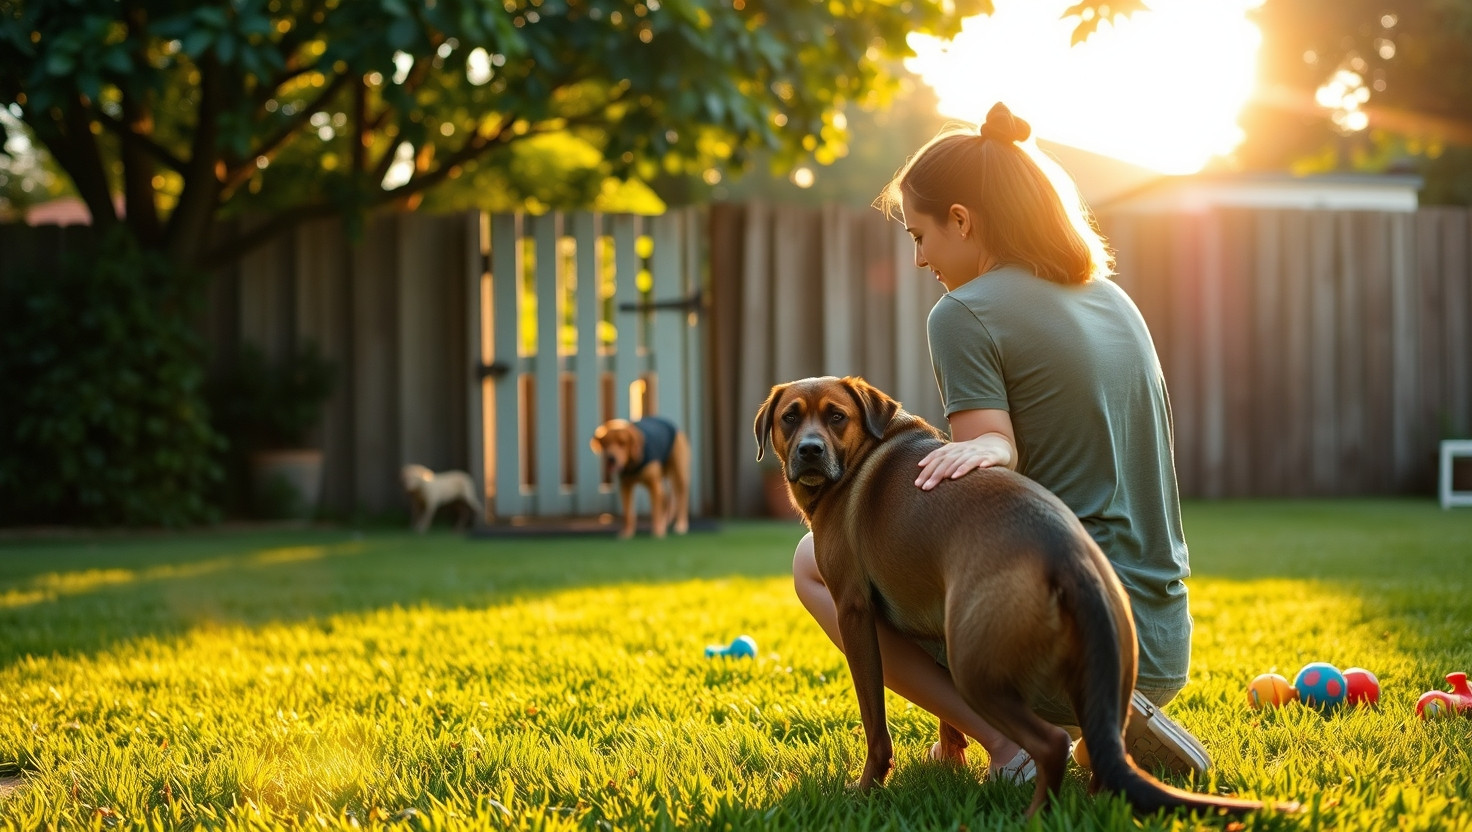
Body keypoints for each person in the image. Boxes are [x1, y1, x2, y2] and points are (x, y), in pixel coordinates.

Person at [790, 101, 1209, 784]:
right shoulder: (1111, 297)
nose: (921, 258)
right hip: (1157, 638)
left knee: (821, 559)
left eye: (921, 235)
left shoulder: (962, 313)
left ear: (963, 220)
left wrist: (983, 450)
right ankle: (1108, 724)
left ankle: (1008, 742)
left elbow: (987, 459)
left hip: (1054, 635)